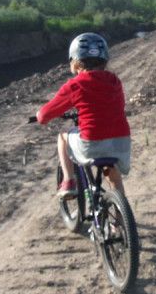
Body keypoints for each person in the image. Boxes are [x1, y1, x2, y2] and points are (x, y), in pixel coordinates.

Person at [35, 33, 131, 197]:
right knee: (112, 172)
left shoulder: (75, 85)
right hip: (121, 142)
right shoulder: (114, 80)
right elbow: (118, 106)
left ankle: (68, 181)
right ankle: (122, 217)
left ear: (75, 61)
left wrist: (38, 115)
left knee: (63, 137)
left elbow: (44, 116)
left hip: (92, 143)